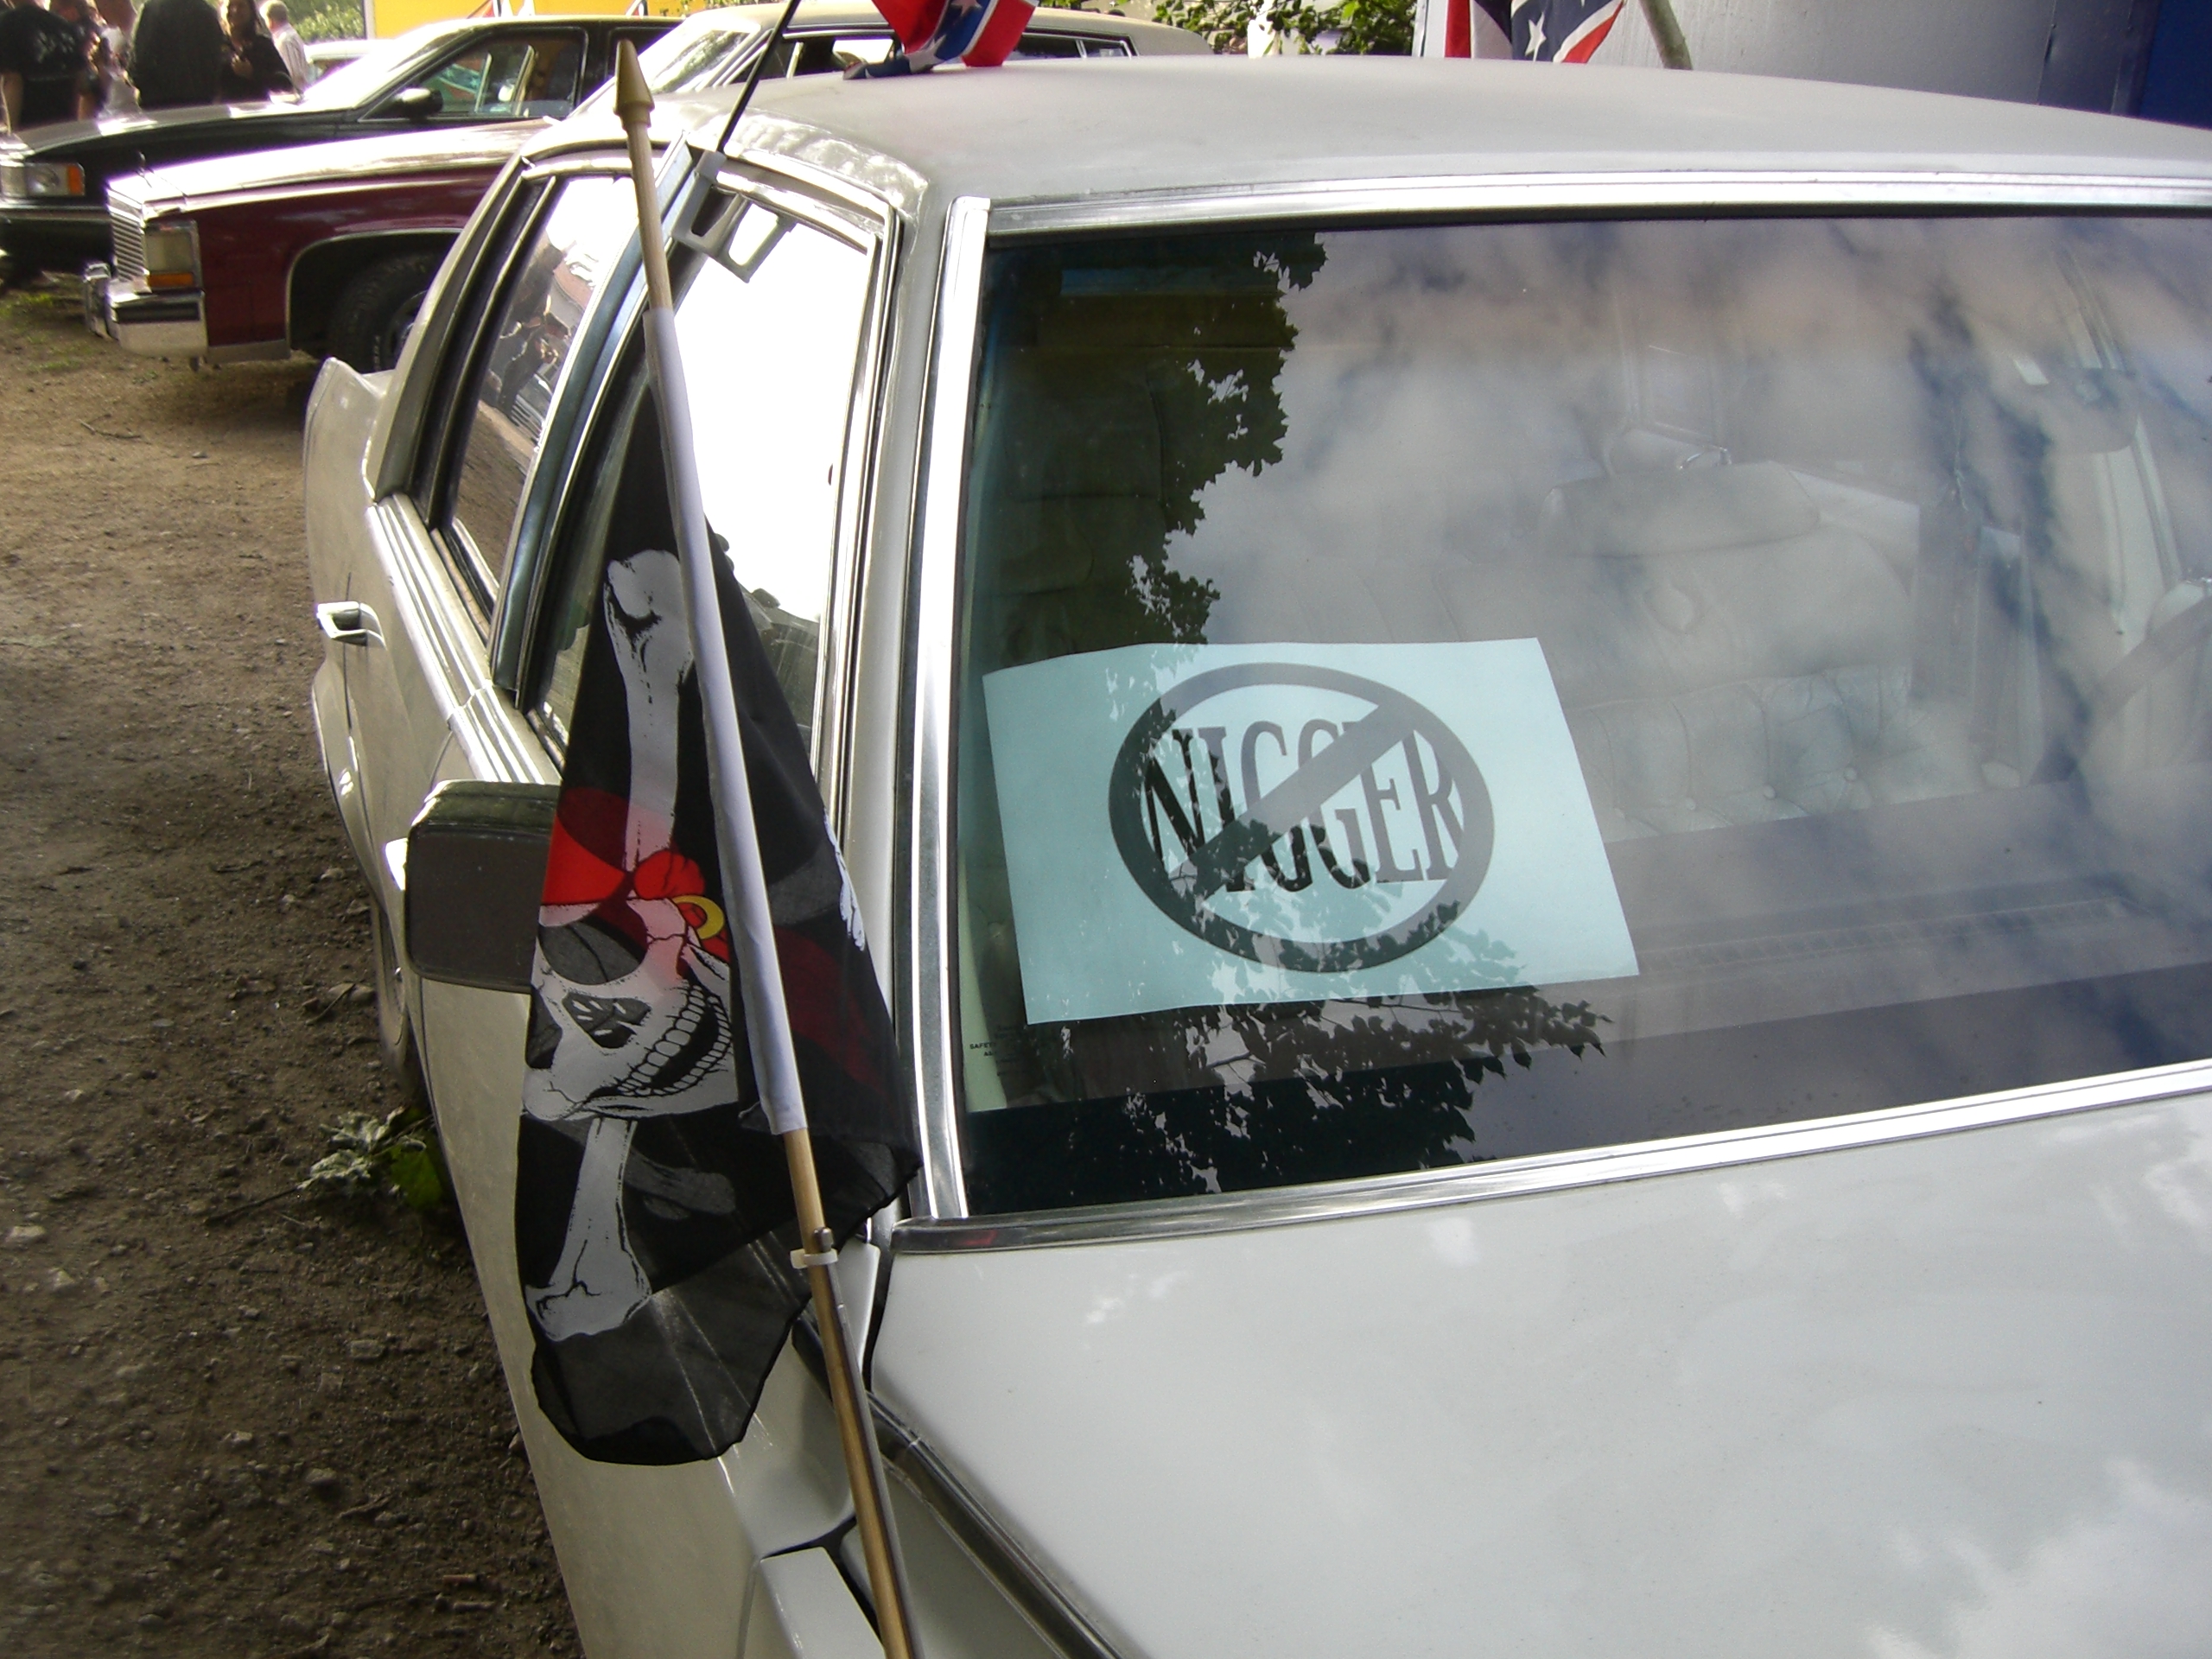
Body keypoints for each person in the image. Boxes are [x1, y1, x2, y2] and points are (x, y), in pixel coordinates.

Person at [0, 0, 89, 131]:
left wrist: (13, 133)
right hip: (66, 127)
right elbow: (81, 80)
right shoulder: (64, 25)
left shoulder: (7, 24)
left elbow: (12, 81)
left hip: (30, 129)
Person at [126, 0, 222, 108]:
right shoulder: (208, 12)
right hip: (202, 106)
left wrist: (131, 77)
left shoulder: (152, 10)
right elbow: (216, 63)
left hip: (159, 107)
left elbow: (139, 65)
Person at [214, 0, 284, 99]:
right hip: (225, 107)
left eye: (241, 6)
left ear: (251, 11)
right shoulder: (215, 45)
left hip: (258, 106)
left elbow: (285, 83)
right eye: (230, 6)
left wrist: (252, 73)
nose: (235, 10)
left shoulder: (262, 45)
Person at [92, 0, 137, 111]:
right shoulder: (107, 37)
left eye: (102, 7)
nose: (100, 14)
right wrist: (99, 66)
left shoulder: (143, 32)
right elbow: (107, 84)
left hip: (138, 112)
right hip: (111, 113)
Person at [260, 0, 302, 87]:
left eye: (265, 20)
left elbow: (291, 74)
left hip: (290, 93)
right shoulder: (292, 35)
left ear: (270, 20)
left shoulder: (285, 41)